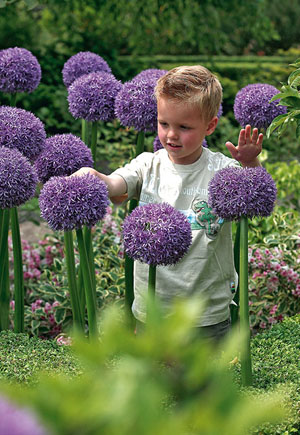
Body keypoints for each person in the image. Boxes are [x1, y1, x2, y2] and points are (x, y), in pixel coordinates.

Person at [73, 65, 263, 340]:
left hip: (206, 313)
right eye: (164, 124)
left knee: (205, 381)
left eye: (184, 127)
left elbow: (257, 195)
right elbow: (117, 186)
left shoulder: (223, 170)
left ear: (210, 125)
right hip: (153, 310)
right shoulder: (147, 165)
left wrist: (250, 163)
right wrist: (96, 178)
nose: (171, 135)